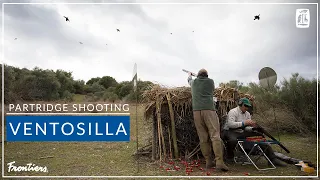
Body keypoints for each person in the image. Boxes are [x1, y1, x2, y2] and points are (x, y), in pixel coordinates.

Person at [222, 98, 287, 167]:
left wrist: (253, 128)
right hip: (230, 131)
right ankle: (229, 157)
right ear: (240, 104)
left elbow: (246, 128)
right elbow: (230, 124)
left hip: (241, 131)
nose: (247, 108)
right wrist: (244, 123)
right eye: (245, 106)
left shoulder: (247, 114)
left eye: (248, 106)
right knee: (233, 140)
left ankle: (272, 159)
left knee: (260, 135)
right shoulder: (233, 112)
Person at [188, 69, 229, 171]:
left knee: (203, 138)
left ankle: (208, 162)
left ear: (198, 75)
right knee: (215, 135)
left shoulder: (193, 83)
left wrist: (190, 75)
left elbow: (189, 80)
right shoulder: (210, 82)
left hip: (196, 112)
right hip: (209, 110)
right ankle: (219, 162)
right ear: (206, 75)